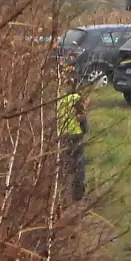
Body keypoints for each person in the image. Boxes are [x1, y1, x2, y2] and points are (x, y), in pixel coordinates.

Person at [57, 72, 86, 202]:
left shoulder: (58, 99)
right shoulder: (76, 99)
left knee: (63, 164)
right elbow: (81, 117)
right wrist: (85, 128)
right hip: (75, 134)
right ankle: (77, 195)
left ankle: (61, 193)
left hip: (61, 135)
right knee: (78, 166)